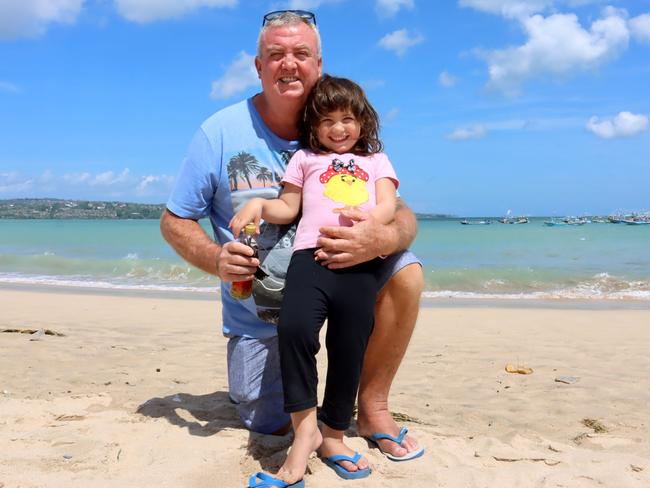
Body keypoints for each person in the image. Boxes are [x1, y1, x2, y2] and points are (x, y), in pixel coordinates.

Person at [160, 9, 424, 485]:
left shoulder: (344, 128)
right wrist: (215, 258)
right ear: (257, 66)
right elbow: (174, 219)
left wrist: (383, 235)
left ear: (318, 64)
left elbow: (400, 212)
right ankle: (310, 426)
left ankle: (372, 408)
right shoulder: (219, 132)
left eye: (300, 53)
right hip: (258, 316)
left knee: (406, 268)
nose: (288, 63)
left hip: (343, 278)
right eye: (275, 54)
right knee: (267, 422)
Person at [230, 74, 399, 483]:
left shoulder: (376, 161)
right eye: (326, 121)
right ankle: (305, 430)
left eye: (347, 119)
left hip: (359, 266)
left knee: (349, 346)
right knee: (295, 330)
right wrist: (257, 203)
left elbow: (389, 203)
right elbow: (288, 208)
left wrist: (369, 219)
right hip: (310, 258)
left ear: (363, 120)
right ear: (313, 126)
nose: (338, 129)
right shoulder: (304, 158)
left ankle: (335, 433)